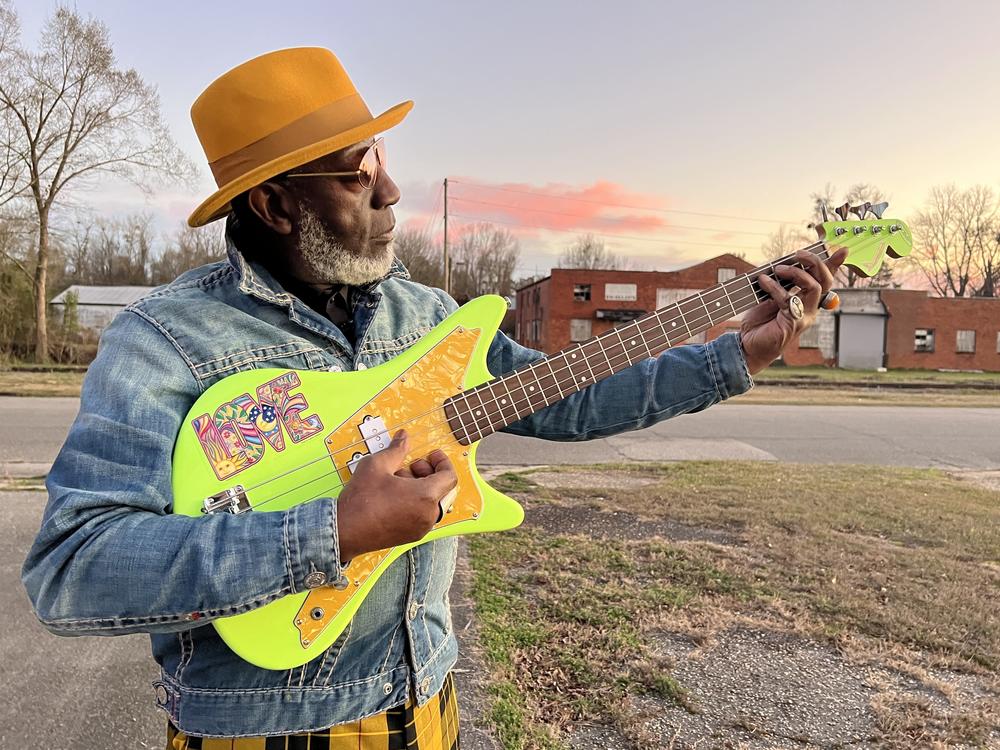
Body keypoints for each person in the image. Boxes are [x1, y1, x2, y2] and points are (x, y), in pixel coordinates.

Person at [22, 47, 844, 748]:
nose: (391, 192)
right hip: (258, 727)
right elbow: (73, 570)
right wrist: (331, 531)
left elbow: (566, 396)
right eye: (358, 173)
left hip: (429, 703)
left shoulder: (428, 314)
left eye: (382, 158)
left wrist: (735, 354)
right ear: (274, 204)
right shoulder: (166, 339)